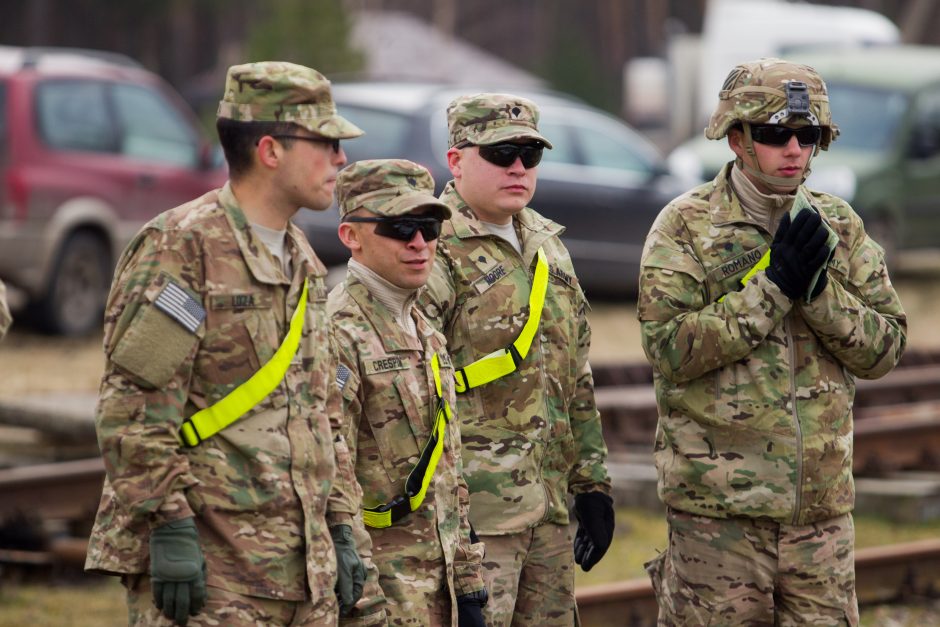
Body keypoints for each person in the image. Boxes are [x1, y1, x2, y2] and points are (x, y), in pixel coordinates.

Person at [84, 61, 374, 626]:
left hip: (301, 575)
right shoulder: (183, 247)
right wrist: (168, 524)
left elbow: (322, 414)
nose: (341, 159)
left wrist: (340, 524)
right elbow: (134, 409)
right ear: (270, 150)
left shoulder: (304, 263)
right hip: (212, 576)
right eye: (326, 141)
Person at [638, 57, 907, 625]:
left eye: (806, 136)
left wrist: (816, 293)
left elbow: (885, 348)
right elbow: (669, 349)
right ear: (737, 139)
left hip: (820, 520)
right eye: (774, 134)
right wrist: (772, 288)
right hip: (719, 524)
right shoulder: (685, 226)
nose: (793, 149)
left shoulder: (840, 226)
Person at [418, 93, 613, 626]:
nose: (519, 168)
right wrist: (454, 520)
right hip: (479, 523)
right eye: (502, 153)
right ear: (456, 160)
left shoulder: (547, 246)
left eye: (531, 154)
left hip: (546, 512)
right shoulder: (429, 250)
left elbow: (575, 377)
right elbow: (414, 403)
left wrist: (591, 485)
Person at [330, 159, 488, 626]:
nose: (419, 243)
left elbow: (447, 472)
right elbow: (328, 479)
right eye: (399, 227)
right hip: (378, 595)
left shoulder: (423, 327)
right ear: (351, 236)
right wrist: (365, 607)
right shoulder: (337, 330)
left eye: (428, 226)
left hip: (436, 594)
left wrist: (468, 585)